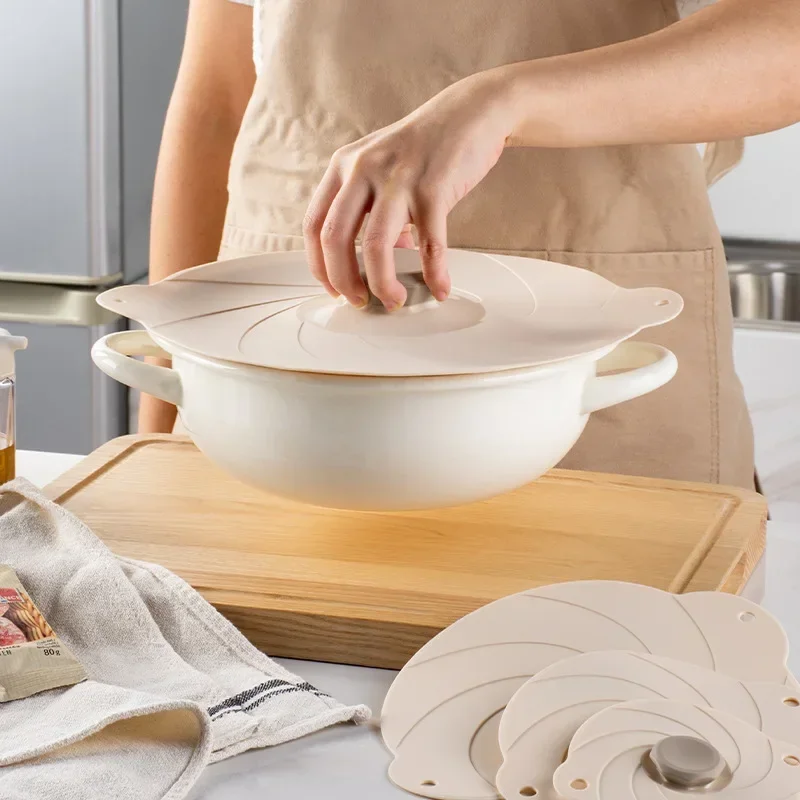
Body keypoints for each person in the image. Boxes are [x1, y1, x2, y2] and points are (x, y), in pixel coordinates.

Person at [140, 0, 800, 490]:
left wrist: (504, 100)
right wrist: (156, 427)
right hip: (270, 386)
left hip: (597, 394)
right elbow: (216, 103)